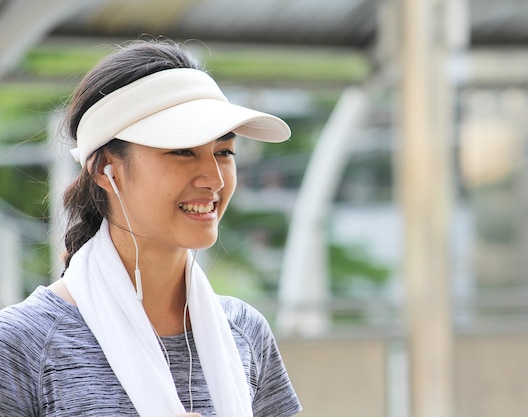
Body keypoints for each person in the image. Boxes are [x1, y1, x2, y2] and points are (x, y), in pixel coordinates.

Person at [0, 40, 302, 417]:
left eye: (224, 152)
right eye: (183, 150)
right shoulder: (23, 342)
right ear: (105, 170)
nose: (214, 178)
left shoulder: (244, 331)